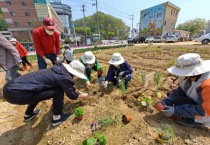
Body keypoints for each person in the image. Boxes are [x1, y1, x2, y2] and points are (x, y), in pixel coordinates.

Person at [3, 60, 89, 126]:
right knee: (58, 92)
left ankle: (28, 114)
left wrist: (75, 90)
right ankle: (57, 117)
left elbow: (65, 84)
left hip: (10, 87)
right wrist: (81, 95)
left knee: (38, 89)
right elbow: (72, 96)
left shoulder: (58, 69)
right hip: (17, 94)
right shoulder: (65, 77)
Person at [154, 53, 210, 128]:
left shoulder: (207, 85)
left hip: (205, 111)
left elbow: (203, 110)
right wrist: (166, 102)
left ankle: (197, 121)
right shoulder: (189, 77)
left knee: (199, 115)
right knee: (173, 96)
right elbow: (180, 91)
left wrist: (176, 110)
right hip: (197, 102)